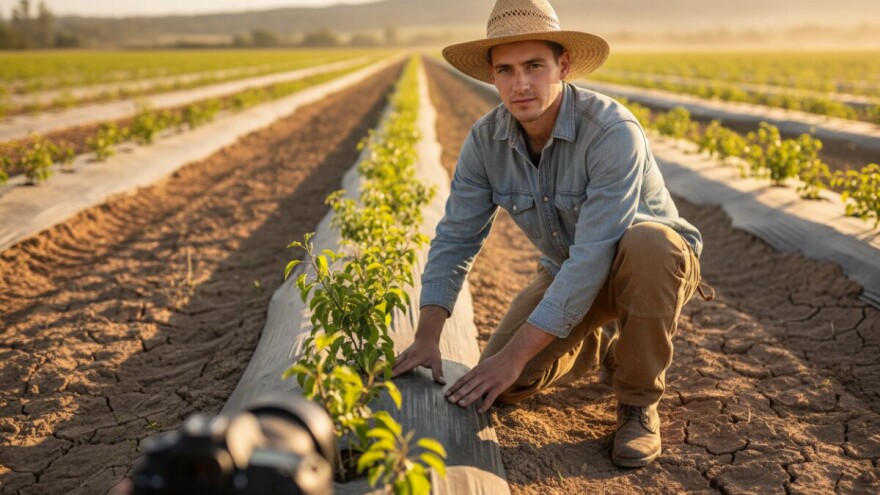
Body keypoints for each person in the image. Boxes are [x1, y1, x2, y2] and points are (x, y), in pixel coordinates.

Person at [391, 0, 708, 469]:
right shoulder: (485, 141)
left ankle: (639, 401)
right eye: (506, 70)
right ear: (492, 77)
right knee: (499, 385)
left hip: (648, 267)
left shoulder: (610, 131)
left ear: (563, 65)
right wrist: (427, 335)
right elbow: (457, 237)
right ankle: (588, 344)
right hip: (568, 269)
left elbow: (596, 255)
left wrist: (517, 353)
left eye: (534, 66)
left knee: (649, 244)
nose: (520, 84)